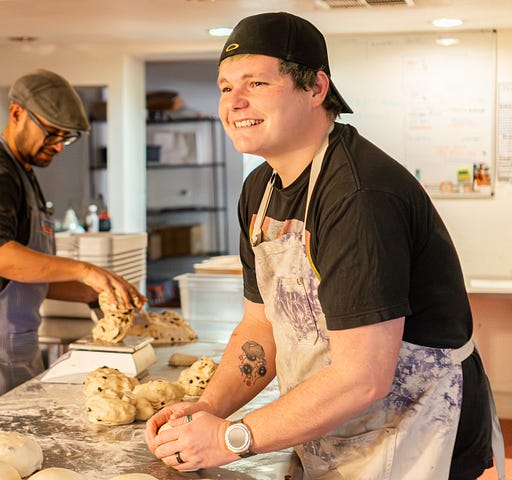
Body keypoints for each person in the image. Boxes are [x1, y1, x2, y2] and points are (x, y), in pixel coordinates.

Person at [145, 12, 505, 479]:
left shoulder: (360, 195)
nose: (234, 102)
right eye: (225, 87)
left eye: (256, 83)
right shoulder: (260, 190)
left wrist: (229, 439)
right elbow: (261, 325)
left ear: (316, 88)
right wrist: (208, 408)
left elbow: (362, 376)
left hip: (416, 430)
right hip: (337, 422)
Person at [0, 69, 145, 424]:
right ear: (16, 113)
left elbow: (19, 278)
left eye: (66, 138)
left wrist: (93, 292)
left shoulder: (21, 174)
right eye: (52, 133)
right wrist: (85, 270)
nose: (58, 146)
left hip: (11, 348)